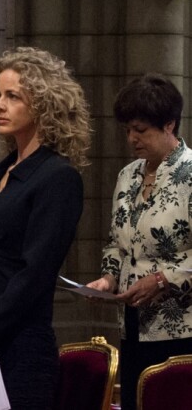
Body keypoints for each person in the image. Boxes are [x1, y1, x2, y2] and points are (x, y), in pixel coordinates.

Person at [0, 46, 91, 409]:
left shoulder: (58, 178)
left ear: (43, 104)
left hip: (21, 349)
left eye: (13, 96)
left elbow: (32, 278)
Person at [86, 74, 192, 410]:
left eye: (141, 130)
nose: (132, 138)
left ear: (169, 125)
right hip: (133, 325)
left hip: (181, 331)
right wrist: (107, 277)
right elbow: (116, 244)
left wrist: (164, 279)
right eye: (128, 129)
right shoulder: (128, 175)